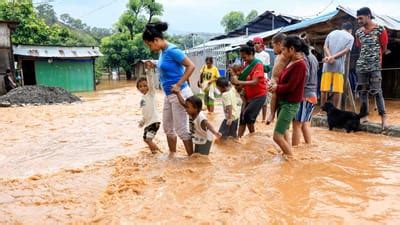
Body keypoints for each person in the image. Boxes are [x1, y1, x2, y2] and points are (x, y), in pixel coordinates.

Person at [142, 21, 195, 156]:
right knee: (168, 128)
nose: (150, 48)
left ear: (156, 40)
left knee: (181, 129)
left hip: (179, 93)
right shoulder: (162, 52)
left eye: (150, 44)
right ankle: (173, 157)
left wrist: (178, 84)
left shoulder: (172, 50)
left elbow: (191, 66)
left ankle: (193, 160)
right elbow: (166, 66)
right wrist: (154, 64)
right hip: (169, 95)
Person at [268, 35, 308, 158]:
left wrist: (276, 88)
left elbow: (291, 86)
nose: (282, 52)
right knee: (283, 133)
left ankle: (292, 161)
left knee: (277, 136)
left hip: (290, 104)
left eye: (284, 49)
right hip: (284, 102)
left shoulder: (300, 65)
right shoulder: (292, 62)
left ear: (291, 49)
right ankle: (287, 157)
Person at [355, 7, 389, 130]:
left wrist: (377, 57)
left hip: (375, 66)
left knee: (377, 91)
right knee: (363, 91)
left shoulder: (380, 30)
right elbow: (359, 46)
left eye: (361, 18)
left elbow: (384, 47)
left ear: (368, 16)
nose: (359, 21)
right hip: (361, 66)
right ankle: (364, 115)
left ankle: (383, 116)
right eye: (357, 18)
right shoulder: (358, 32)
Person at [231, 41, 267, 138]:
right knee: (242, 118)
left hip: (259, 95)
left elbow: (255, 81)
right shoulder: (247, 64)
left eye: (244, 57)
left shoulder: (257, 64)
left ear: (251, 54)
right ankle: (239, 139)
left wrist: (239, 82)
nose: (244, 60)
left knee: (248, 116)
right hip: (248, 96)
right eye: (242, 58)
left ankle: (253, 136)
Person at [172, 87, 222, 155]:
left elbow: (208, 125)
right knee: (196, 155)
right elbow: (183, 102)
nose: (185, 109)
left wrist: (216, 133)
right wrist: (178, 93)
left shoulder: (201, 118)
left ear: (196, 108)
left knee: (202, 157)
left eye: (187, 107)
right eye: (186, 107)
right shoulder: (191, 113)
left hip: (205, 140)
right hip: (198, 137)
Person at [321, 22, 355, 108]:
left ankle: (322, 111)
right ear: (350, 30)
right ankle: (336, 109)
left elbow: (325, 47)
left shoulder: (332, 33)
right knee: (337, 90)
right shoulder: (350, 37)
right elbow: (347, 50)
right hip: (338, 67)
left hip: (327, 66)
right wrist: (333, 57)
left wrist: (329, 57)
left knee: (324, 90)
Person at [292, 50, 319, 146]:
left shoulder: (304, 58)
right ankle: (309, 146)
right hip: (312, 95)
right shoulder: (313, 58)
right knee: (305, 124)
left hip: (304, 95)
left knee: (296, 125)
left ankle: (293, 151)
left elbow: (306, 75)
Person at [266, 33, 290, 125]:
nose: (273, 48)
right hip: (273, 81)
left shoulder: (285, 55)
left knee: (274, 96)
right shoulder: (278, 56)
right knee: (273, 97)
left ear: (280, 44)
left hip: (278, 82)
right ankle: (272, 114)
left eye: (273, 46)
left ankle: (272, 114)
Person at [136, 75, 161, 154]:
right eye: (140, 86)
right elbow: (144, 112)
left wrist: (149, 71)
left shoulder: (151, 94)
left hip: (154, 122)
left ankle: (159, 154)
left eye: (145, 85)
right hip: (148, 123)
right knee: (145, 139)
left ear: (148, 86)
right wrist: (142, 122)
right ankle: (155, 154)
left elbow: (151, 83)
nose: (142, 88)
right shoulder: (142, 100)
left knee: (148, 139)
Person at [253, 36, 271, 123]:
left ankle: (263, 119)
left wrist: (259, 67)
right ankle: (255, 117)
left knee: (264, 101)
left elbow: (267, 68)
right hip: (253, 79)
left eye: (258, 43)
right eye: (255, 43)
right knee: (254, 99)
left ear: (261, 44)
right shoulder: (252, 54)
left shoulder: (266, 55)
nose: (256, 45)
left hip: (264, 79)